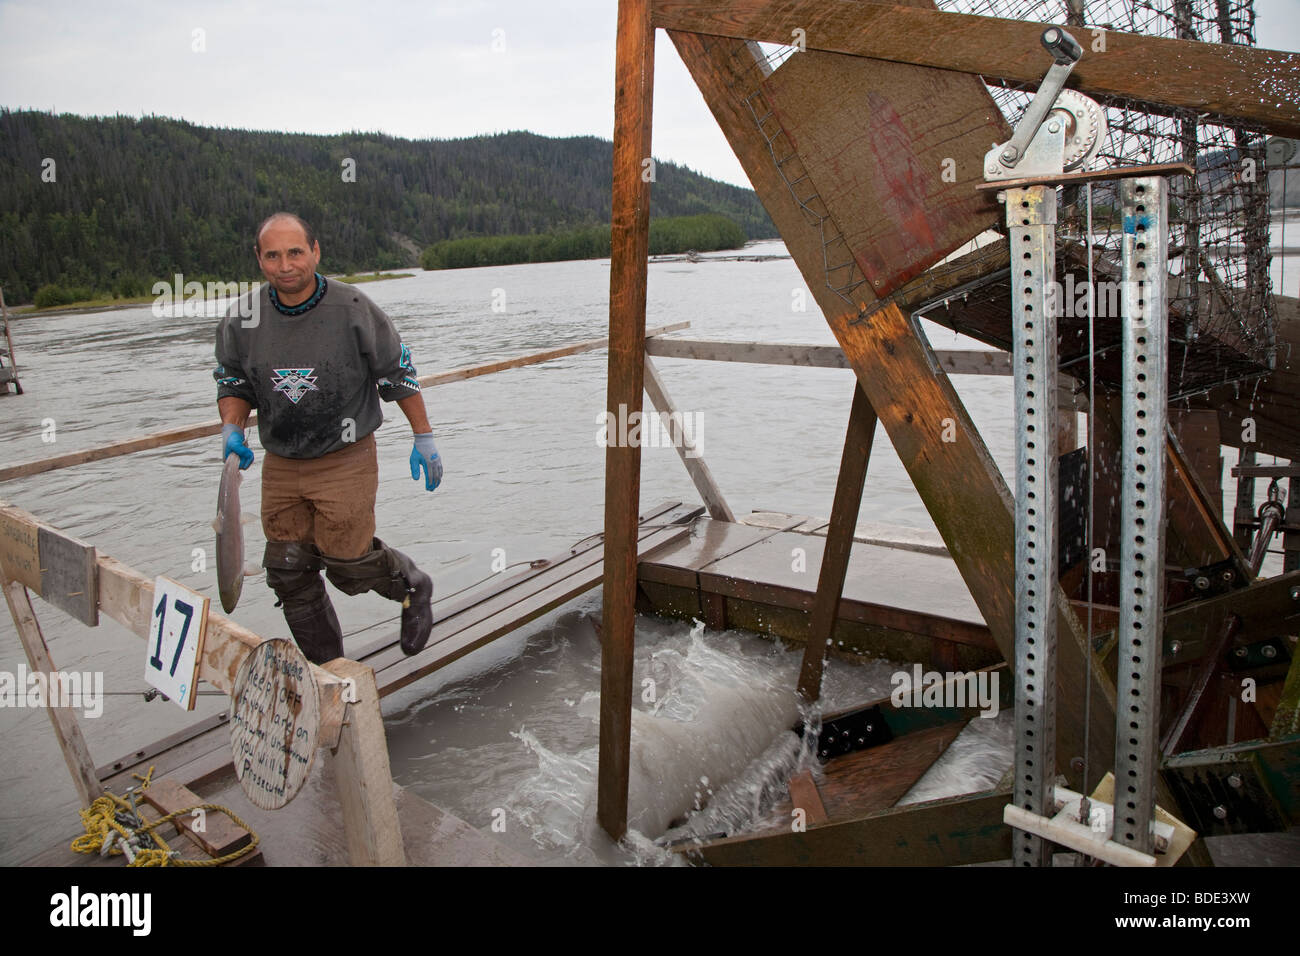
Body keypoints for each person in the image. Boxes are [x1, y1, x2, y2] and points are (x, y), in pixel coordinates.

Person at [212, 212, 443, 664]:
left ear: (315, 252)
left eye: (295, 252)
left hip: (345, 453)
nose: (285, 265)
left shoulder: (353, 308)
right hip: (282, 458)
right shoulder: (242, 318)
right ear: (259, 259)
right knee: (286, 569)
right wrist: (231, 428)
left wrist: (424, 436)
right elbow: (233, 382)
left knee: (348, 565)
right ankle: (330, 674)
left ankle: (412, 584)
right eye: (273, 255)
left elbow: (398, 373)